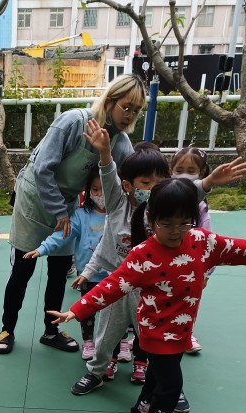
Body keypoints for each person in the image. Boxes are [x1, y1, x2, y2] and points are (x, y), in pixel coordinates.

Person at [48, 178, 246, 413]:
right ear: (151, 220)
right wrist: (77, 310)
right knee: (170, 387)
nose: (176, 231)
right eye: (167, 224)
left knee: (155, 379)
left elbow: (239, 248)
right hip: (155, 333)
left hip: (182, 330)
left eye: (184, 223)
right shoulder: (143, 256)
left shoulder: (202, 242)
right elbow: (112, 285)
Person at [0, 73, 146, 356]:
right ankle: (7, 329)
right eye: (126, 107)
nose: (130, 115)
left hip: (67, 204)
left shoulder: (121, 143)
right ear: (110, 101)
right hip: (34, 199)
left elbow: (128, 183)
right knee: (23, 268)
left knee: (59, 269)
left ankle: (51, 331)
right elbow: (43, 169)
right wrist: (60, 213)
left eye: (136, 111)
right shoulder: (73, 121)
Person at [66, 137, 170, 395]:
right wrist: (104, 153)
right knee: (105, 335)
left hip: (148, 289)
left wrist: (208, 184)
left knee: (154, 338)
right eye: (146, 182)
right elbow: (105, 246)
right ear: (127, 186)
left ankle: (169, 385)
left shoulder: (162, 211)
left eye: (159, 182)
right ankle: (96, 372)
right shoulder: (117, 204)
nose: (153, 188)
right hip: (117, 284)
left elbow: (187, 198)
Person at [23, 164, 106, 361]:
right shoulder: (81, 215)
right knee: (87, 311)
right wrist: (42, 249)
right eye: (95, 189)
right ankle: (88, 342)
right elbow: (62, 235)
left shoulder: (119, 214)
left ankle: (118, 344)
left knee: (114, 314)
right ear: (87, 190)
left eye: (104, 189)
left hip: (114, 275)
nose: (99, 194)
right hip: (88, 274)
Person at [170, 146, 213, 355]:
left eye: (191, 170)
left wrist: (206, 271)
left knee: (187, 300)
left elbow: (208, 239)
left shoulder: (201, 207)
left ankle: (185, 335)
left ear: (202, 173)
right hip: (165, 259)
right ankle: (144, 330)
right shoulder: (164, 199)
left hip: (190, 264)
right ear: (170, 171)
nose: (184, 175)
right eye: (179, 170)